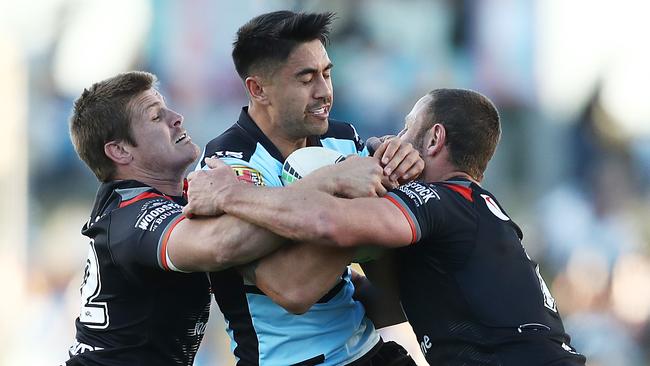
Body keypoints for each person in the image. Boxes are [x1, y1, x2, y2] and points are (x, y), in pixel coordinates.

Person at [187, 88, 588, 366]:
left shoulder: (437, 201)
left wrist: (230, 196)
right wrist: (342, 293)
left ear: (434, 139)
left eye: (405, 129)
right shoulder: (476, 208)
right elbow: (406, 301)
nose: (391, 142)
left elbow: (330, 224)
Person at [65, 71, 388, 365]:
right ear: (120, 151)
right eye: (155, 117)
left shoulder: (190, 196)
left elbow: (269, 244)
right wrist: (330, 182)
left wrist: (381, 160)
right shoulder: (130, 213)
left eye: (169, 109)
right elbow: (223, 245)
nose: (176, 118)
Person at [196, 10, 422, 366]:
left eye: (327, 74)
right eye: (306, 79)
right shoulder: (226, 165)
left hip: (368, 349)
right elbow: (290, 289)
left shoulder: (343, 139)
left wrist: (406, 171)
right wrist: (351, 198)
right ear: (258, 89)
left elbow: (390, 273)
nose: (324, 92)